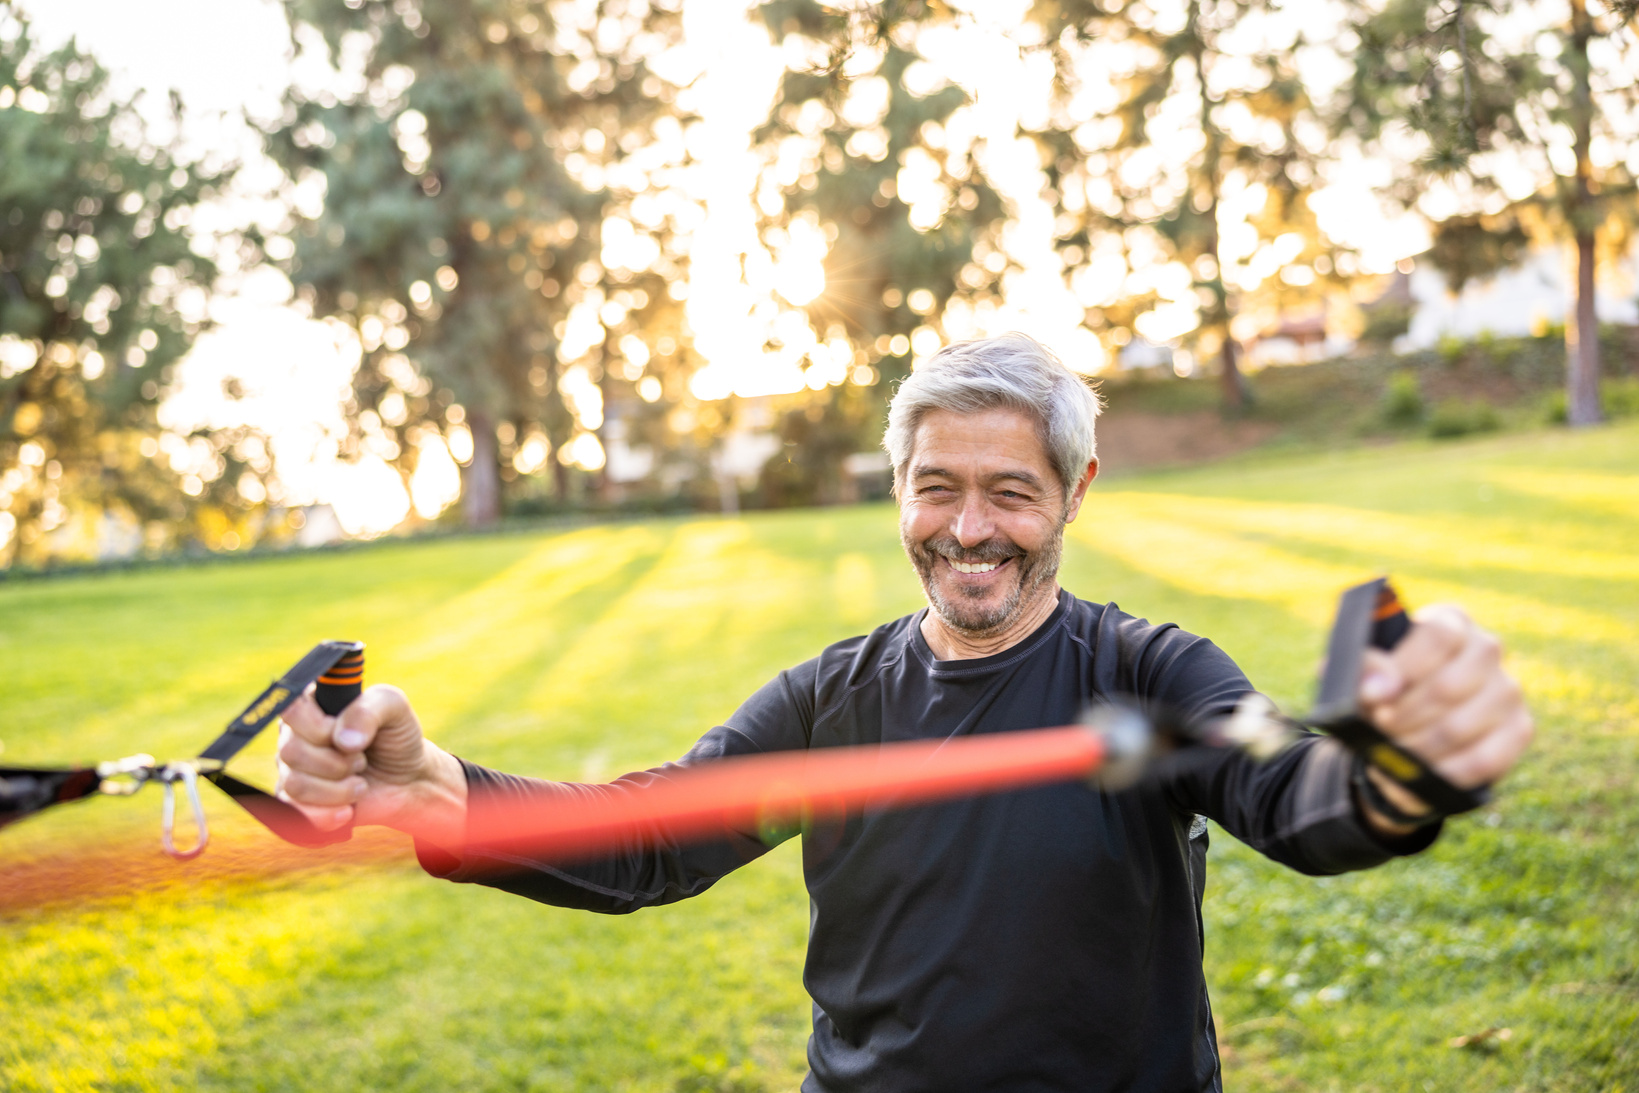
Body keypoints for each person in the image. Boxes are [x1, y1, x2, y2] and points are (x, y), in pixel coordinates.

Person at [277, 333, 1532, 1092]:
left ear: (1076, 489)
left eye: (1009, 491)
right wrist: (439, 792)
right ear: (898, 487)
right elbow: (653, 836)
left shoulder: (1152, 674)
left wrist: (1405, 772)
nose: (969, 530)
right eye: (937, 488)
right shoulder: (831, 702)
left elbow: (1299, 795)